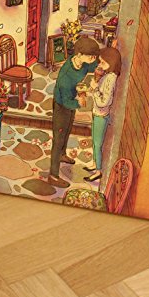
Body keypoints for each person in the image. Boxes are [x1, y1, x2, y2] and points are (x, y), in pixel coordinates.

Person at [48, 37, 100, 188]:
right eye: (91, 57)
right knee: (58, 139)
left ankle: (62, 155)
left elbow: (95, 65)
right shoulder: (66, 76)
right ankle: (53, 175)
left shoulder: (83, 62)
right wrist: (79, 103)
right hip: (62, 105)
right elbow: (65, 101)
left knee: (68, 130)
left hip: (70, 100)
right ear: (79, 54)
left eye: (94, 56)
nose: (93, 59)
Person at [83, 46, 122, 183]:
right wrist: (94, 86)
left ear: (111, 63)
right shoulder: (106, 75)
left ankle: (98, 171)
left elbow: (104, 102)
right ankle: (95, 164)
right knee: (94, 141)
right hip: (97, 112)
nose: (100, 65)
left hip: (101, 115)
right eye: (100, 62)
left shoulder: (111, 78)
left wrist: (94, 90)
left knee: (98, 144)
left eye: (103, 62)